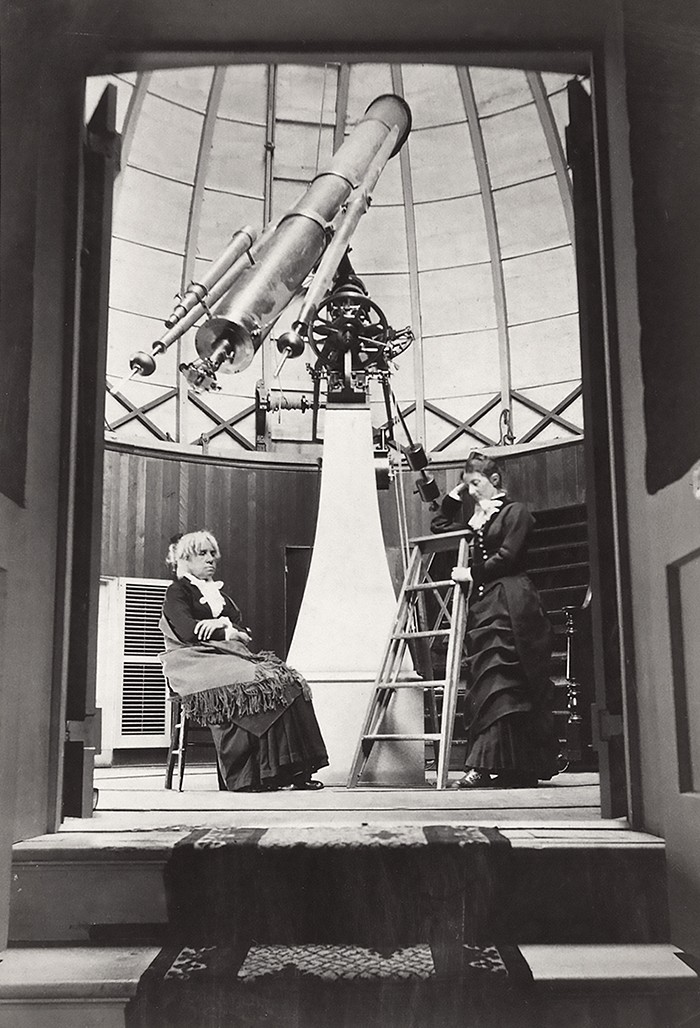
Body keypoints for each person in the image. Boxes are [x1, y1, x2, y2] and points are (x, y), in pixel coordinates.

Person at [159, 530, 328, 793]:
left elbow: (241, 630)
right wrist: (225, 630)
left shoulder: (219, 594)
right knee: (254, 685)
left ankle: (292, 770)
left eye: (212, 553)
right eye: (202, 554)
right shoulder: (178, 591)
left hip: (229, 655)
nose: (211, 559)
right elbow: (187, 630)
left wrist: (223, 626)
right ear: (186, 558)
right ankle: (248, 777)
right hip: (194, 662)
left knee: (289, 681)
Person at [431, 452, 561, 788]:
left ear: (495, 480)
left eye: (476, 483)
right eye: (468, 484)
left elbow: (507, 557)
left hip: (513, 603)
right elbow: (440, 526)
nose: (472, 490)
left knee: (506, 682)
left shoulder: (516, 512)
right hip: (487, 603)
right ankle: (497, 764)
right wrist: (456, 493)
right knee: (488, 684)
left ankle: (501, 765)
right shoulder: (479, 517)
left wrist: (469, 572)